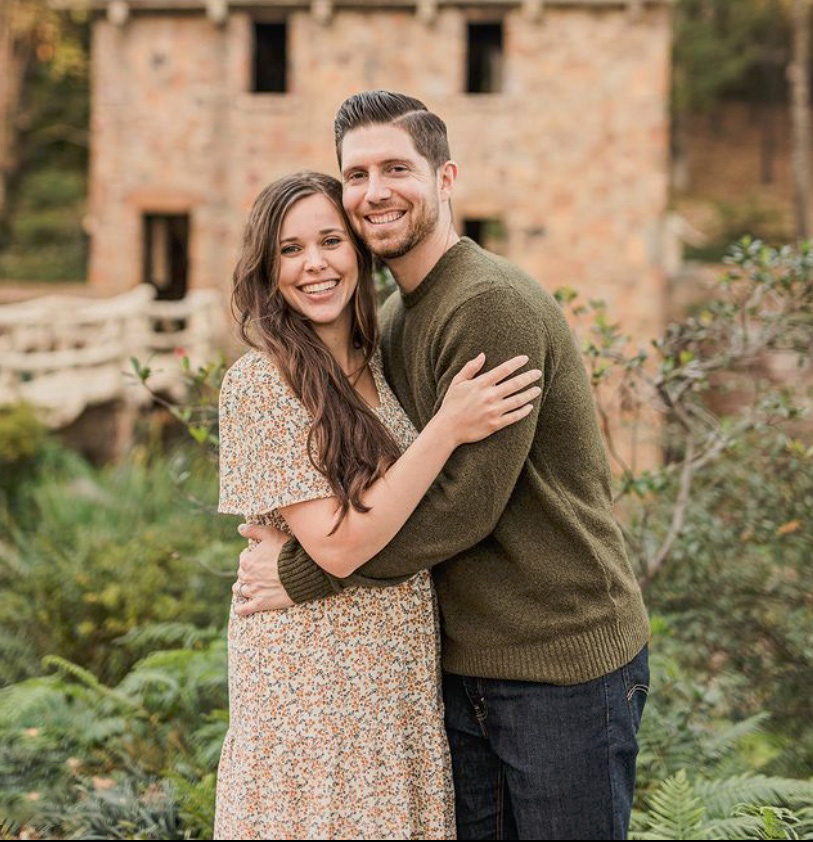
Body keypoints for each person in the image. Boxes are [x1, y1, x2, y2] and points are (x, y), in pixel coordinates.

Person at [234, 92, 652, 841]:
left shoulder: (487, 303)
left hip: (555, 660)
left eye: (396, 167)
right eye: (356, 174)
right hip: (457, 666)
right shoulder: (391, 320)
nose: (375, 190)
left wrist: (306, 571)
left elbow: (464, 504)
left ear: (445, 178)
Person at [213, 169, 542, 840]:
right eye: (289, 249)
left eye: (330, 241)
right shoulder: (260, 383)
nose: (314, 265)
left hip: (395, 673)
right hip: (310, 678)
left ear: (359, 250)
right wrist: (447, 428)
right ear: (267, 269)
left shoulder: (382, 359)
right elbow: (336, 544)